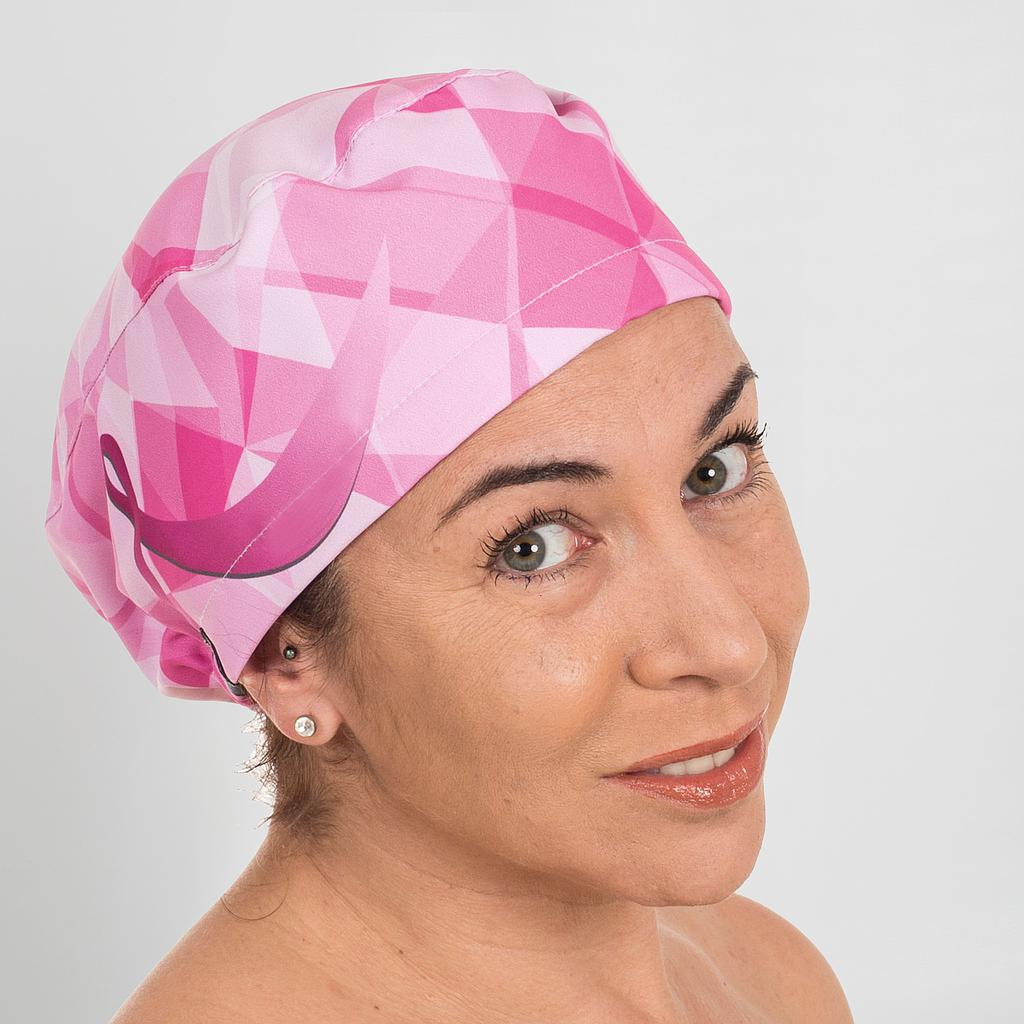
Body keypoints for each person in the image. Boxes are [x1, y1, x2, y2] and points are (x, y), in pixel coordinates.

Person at [44, 67, 854, 1022]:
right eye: (533, 547)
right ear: (285, 658)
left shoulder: (768, 978)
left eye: (714, 471)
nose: (729, 643)